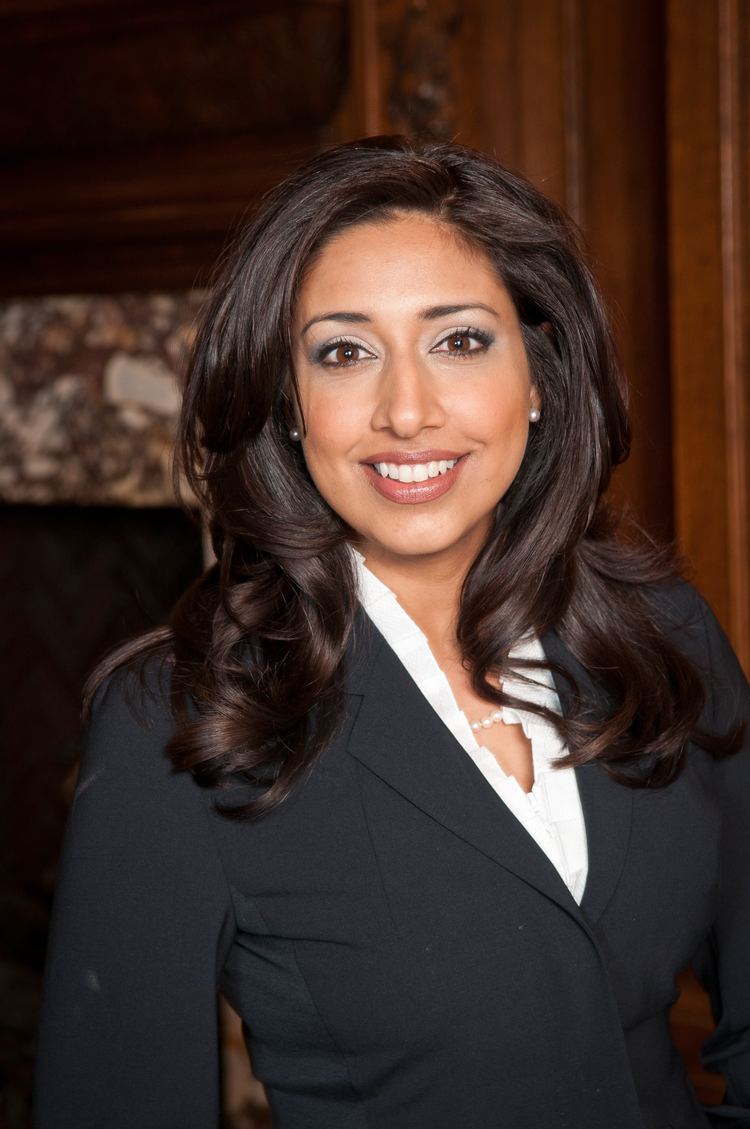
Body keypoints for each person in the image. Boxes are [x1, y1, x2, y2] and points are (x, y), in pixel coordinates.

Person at [34, 136, 748, 1129]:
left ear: (538, 377)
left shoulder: (665, 637)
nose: (407, 411)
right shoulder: (183, 717)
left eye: (459, 340)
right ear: (289, 405)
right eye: (344, 351)